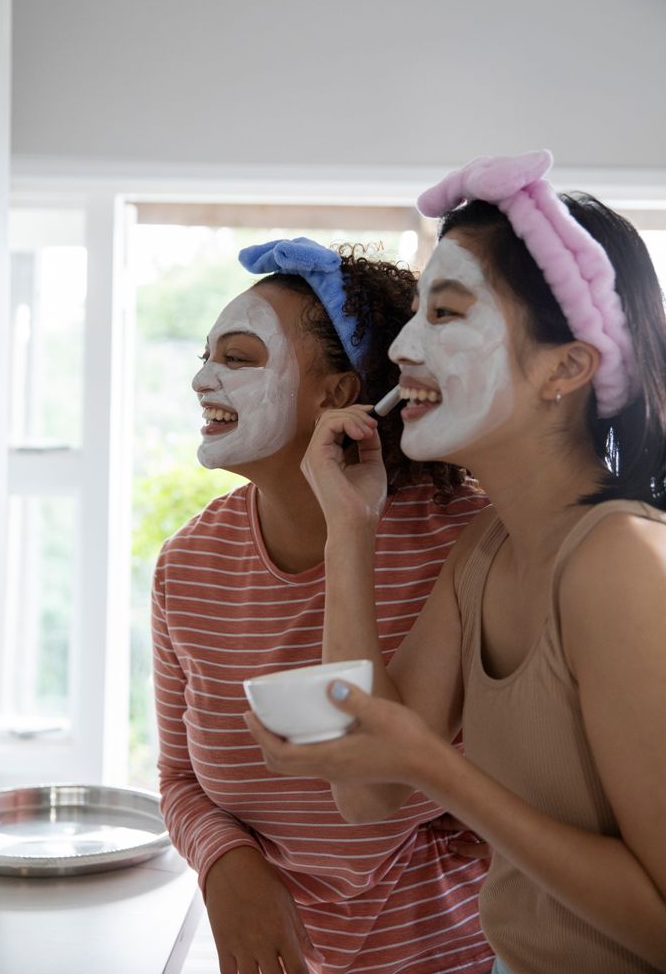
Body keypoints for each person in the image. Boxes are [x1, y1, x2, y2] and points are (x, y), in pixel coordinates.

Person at [246, 152, 666, 974]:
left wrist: (435, 767)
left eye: (445, 313)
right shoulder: (488, 548)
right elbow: (366, 794)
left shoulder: (618, 564)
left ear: (566, 368)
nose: (401, 346)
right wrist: (350, 527)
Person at [151, 237, 496, 974]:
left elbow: (381, 793)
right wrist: (224, 865)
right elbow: (179, 780)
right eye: (207, 356)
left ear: (340, 395)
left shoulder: (468, 537)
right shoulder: (187, 566)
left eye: (238, 358)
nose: (202, 379)